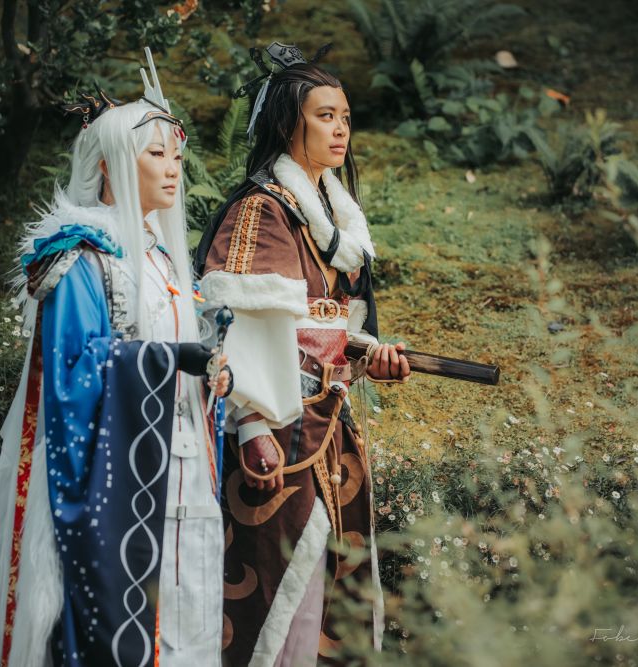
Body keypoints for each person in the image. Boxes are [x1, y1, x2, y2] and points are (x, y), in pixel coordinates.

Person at [0, 53, 230, 667]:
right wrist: (170, 359)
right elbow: (74, 370)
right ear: (110, 164)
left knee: (186, 614)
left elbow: (186, 355)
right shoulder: (82, 258)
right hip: (121, 473)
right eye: (156, 153)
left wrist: (214, 375)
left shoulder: (165, 261)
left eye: (177, 154)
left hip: (184, 468)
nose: (174, 167)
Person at [195, 42, 410, 666]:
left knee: (326, 589)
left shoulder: (333, 219)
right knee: (274, 594)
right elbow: (231, 326)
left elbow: (331, 321)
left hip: (327, 427)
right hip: (274, 436)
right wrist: (251, 424)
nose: (340, 129)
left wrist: (370, 353)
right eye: (324, 116)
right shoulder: (260, 209)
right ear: (289, 122)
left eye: (345, 116)